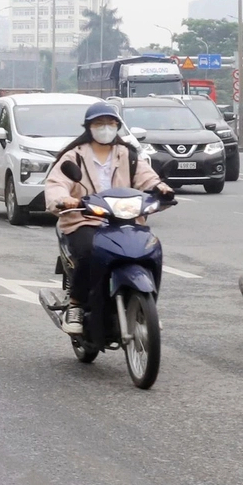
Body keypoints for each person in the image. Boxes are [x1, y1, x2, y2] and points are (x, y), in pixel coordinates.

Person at [41, 102, 170, 337]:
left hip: (125, 220)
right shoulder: (74, 156)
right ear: (89, 127)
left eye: (111, 124)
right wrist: (64, 200)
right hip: (84, 219)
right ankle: (76, 305)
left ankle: (147, 308)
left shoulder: (127, 155)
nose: (105, 128)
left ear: (118, 127)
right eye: (99, 124)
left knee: (150, 249)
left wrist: (161, 188)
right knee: (89, 251)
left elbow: (146, 177)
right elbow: (57, 184)